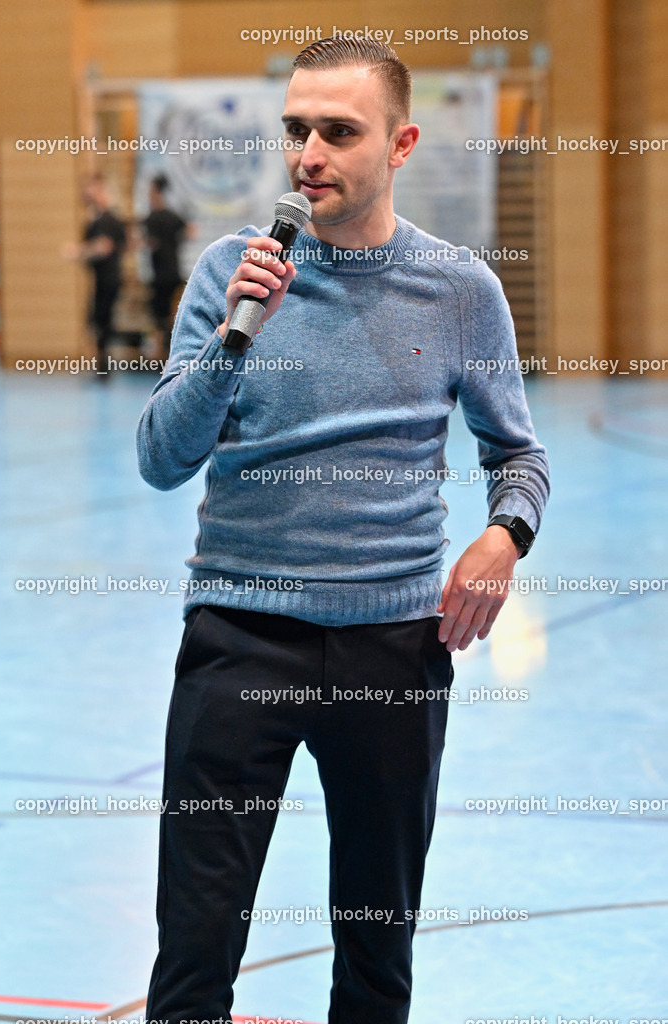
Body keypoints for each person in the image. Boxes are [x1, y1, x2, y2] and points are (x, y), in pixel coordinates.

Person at [136, 36, 550, 1024]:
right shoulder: (229, 272)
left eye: (337, 131)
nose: (308, 154)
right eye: (295, 130)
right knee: (195, 940)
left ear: (400, 144)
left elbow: (518, 456)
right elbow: (161, 457)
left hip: (393, 647)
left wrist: (503, 537)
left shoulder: (459, 290)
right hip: (239, 635)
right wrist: (234, 340)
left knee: (375, 944)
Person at [64, 173, 126, 376]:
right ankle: (102, 364)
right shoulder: (97, 219)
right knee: (97, 320)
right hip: (102, 278)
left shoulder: (106, 219)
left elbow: (103, 247)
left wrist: (78, 252)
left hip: (109, 278)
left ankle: (104, 367)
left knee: (101, 321)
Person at [142, 174, 194, 359]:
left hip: (161, 274)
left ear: (156, 193)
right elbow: (191, 232)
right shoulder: (173, 216)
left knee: (160, 317)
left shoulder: (152, 218)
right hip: (173, 270)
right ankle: (169, 351)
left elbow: (150, 243)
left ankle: (162, 353)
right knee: (169, 315)